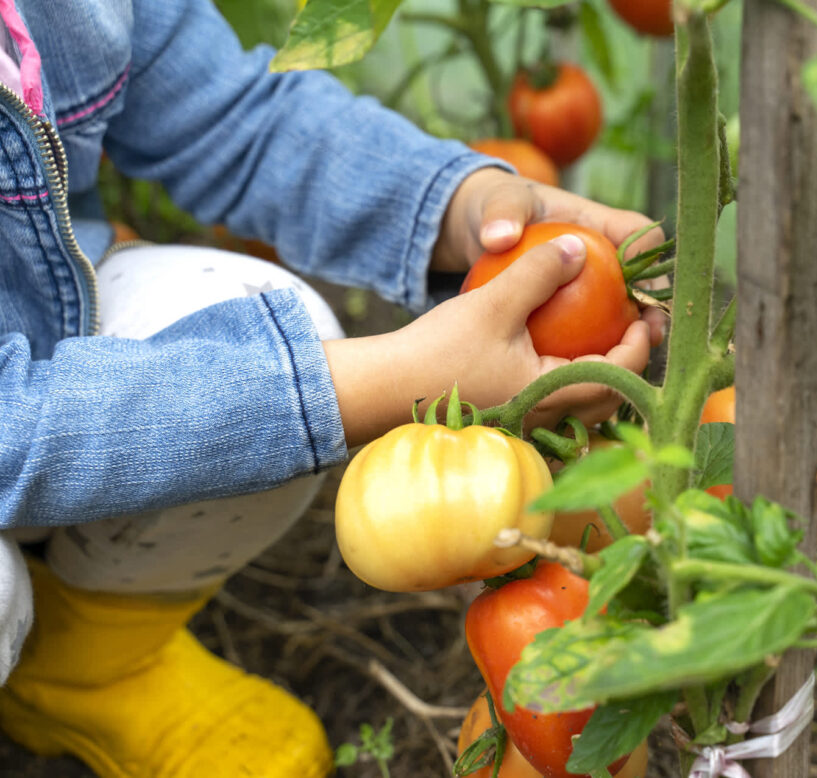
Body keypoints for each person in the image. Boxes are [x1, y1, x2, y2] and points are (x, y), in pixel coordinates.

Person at [0, 1, 666, 775]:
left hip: (47, 314)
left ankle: (89, 668)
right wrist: (370, 383)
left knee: (277, 324)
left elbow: (234, 119)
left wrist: (456, 204)